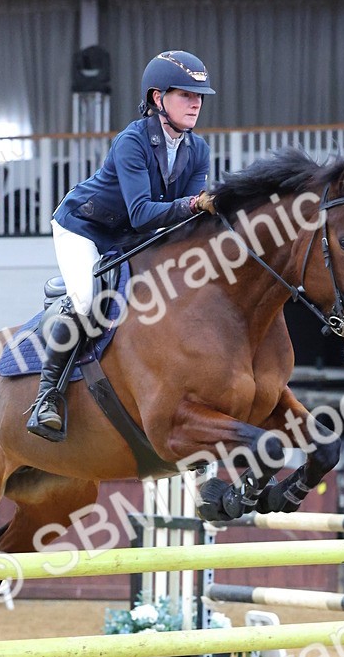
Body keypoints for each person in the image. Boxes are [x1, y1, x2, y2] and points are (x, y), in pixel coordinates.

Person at [26, 50, 217, 439]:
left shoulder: (199, 150)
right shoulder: (132, 141)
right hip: (84, 227)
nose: (196, 102)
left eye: (199, 96)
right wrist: (196, 203)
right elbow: (145, 212)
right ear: (157, 98)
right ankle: (48, 396)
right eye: (185, 94)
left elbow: (188, 220)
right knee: (86, 301)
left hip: (130, 236)